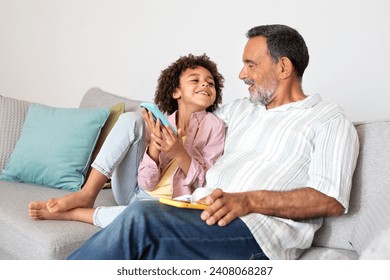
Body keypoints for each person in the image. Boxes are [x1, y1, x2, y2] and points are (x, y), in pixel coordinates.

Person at [67, 24, 359, 260]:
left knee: (142, 218)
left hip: (255, 233)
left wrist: (248, 200)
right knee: (149, 246)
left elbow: (329, 198)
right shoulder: (240, 110)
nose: (241, 75)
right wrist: (157, 124)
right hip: (196, 211)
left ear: (283, 68)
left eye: (250, 65)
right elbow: (193, 117)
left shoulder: (328, 120)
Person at [28, 54, 226, 228]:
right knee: (132, 119)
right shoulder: (160, 123)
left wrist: (179, 153)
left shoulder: (215, 127)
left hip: (165, 206)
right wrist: (154, 151)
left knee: (146, 219)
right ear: (176, 92)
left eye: (210, 83)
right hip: (134, 191)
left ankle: (76, 214)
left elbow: (205, 181)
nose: (205, 84)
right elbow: (147, 183)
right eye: (195, 80)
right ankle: (88, 193)